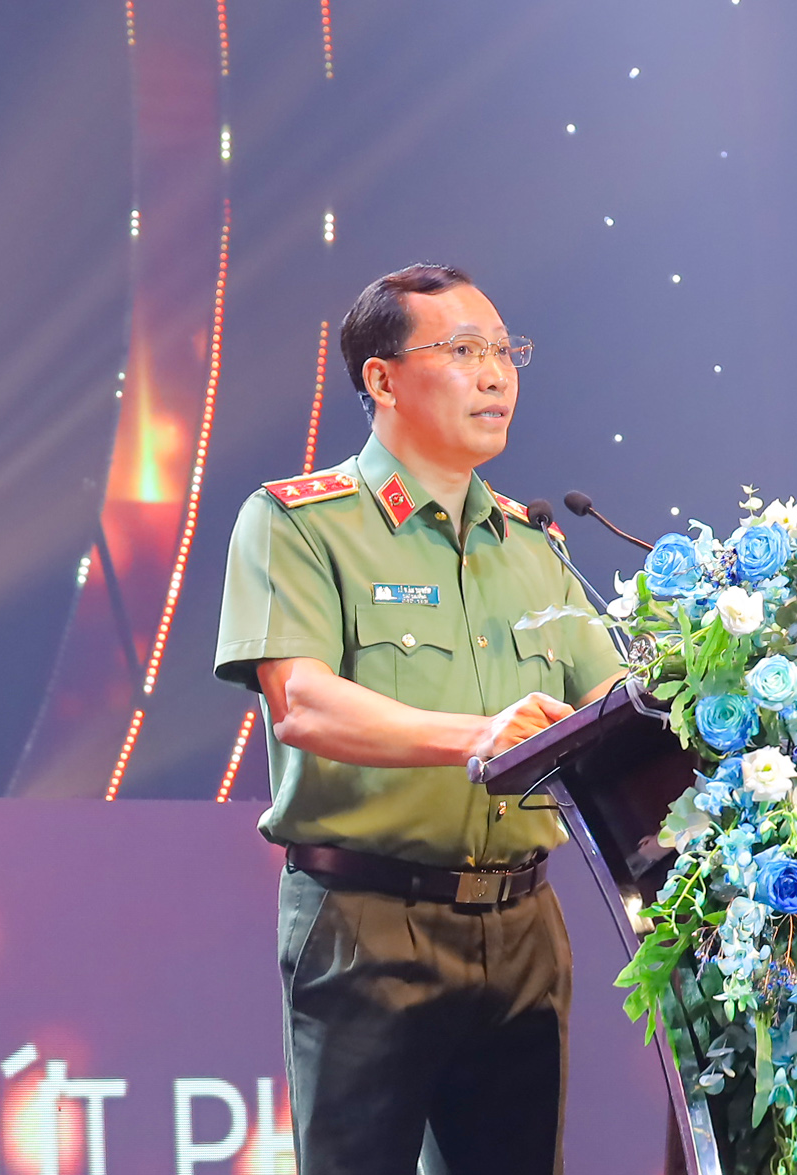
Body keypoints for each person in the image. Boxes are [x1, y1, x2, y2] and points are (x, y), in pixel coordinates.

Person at [214, 263, 623, 1175]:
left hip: (523, 925)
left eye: (506, 351)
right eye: (464, 350)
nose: (496, 374)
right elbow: (303, 703)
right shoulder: (299, 524)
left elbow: (609, 710)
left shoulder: (535, 543)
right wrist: (477, 736)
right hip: (367, 920)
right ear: (383, 378)